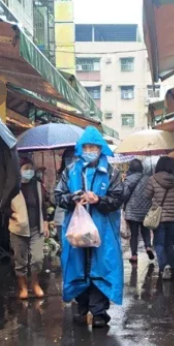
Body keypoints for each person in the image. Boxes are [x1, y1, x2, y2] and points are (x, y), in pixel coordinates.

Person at [55, 127, 124, 328]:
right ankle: (81, 306)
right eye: (86, 146)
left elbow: (118, 198)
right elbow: (58, 196)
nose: (90, 150)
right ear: (80, 148)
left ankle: (99, 312)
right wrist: (72, 198)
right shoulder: (70, 171)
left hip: (104, 232)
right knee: (77, 266)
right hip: (76, 230)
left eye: (93, 146)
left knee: (101, 267)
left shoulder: (111, 172)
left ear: (101, 148)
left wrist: (99, 200)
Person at [145, 156, 174, 280]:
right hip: (173, 218)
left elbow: (147, 195)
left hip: (158, 218)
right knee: (169, 244)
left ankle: (163, 266)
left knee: (159, 243)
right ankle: (172, 266)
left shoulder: (152, 179)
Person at [9, 158, 49, 299]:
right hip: (18, 229)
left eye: (30, 168)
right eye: (25, 168)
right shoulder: (12, 188)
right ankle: (23, 287)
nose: (29, 171)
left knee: (37, 258)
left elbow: (43, 205)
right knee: (20, 260)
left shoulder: (37, 185)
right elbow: (2, 206)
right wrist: (12, 215)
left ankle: (35, 284)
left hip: (36, 228)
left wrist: (45, 222)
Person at [122, 159, 155, 264]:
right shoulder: (148, 179)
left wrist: (124, 205)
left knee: (134, 234)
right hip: (146, 209)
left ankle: (134, 255)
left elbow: (125, 194)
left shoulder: (129, 179)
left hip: (132, 210)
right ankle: (148, 247)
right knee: (145, 230)